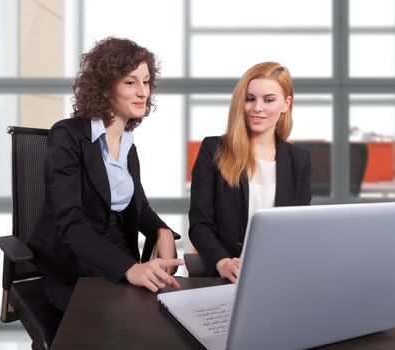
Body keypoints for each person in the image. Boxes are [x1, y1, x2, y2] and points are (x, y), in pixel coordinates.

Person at [28, 37, 184, 312]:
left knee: (158, 315)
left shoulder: (127, 145)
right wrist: (128, 268)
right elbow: (71, 223)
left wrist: (163, 231)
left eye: (146, 82)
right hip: (72, 265)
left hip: (117, 256)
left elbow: (140, 207)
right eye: (130, 82)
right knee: (119, 326)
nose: (142, 92)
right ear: (104, 86)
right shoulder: (68, 135)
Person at [188, 62, 312, 283]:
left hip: (279, 275)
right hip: (226, 276)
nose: (257, 108)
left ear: (286, 104)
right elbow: (200, 224)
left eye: (269, 99)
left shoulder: (299, 160)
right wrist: (222, 262)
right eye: (250, 98)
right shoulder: (213, 149)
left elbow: (300, 229)